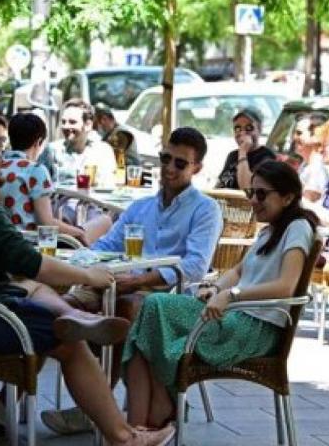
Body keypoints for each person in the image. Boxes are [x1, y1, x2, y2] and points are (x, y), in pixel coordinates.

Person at [0, 119, 173, 446]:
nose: (3, 159)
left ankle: (77, 317)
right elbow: (30, 262)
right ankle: (124, 437)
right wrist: (89, 276)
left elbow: (11, 265)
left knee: (35, 293)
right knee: (67, 340)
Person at [44, 127, 223, 435]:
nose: (168, 168)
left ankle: (98, 410)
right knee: (55, 309)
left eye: (180, 163)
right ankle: (8, 401)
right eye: (166, 158)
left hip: (170, 296)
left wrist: (139, 281)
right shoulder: (142, 206)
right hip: (120, 284)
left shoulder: (206, 209)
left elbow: (195, 266)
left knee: (120, 312)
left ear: (197, 169)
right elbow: (106, 246)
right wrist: (78, 268)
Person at [123, 159, 317, 430]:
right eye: (251, 192)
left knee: (154, 307)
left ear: (287, 197)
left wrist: (231, 296)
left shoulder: (297, 227)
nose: (253, 201)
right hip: (235, 318)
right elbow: (238, 271)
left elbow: (287, 286)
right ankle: (139, 426)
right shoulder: (270, 230)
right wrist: (215, 289)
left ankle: (155, 413)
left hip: (255, 329)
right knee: (146, 320)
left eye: (262, 194)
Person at [0, 113, 86, 243]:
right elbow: (46, 223)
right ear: (38, 142)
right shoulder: (35, 170)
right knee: (104, 222)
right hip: (31, 245)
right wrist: (79, 233)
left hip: (3, 241)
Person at [51, 98, 118, 187]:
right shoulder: (53, 150)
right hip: (59, 200)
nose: (66, 126)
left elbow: (109, 186)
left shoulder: (102, 151)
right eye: (63, 122)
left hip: (91, 200)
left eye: (72, 122)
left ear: (88, 125)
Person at [215, 107, 275, 190]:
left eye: (249, 128)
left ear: (259, 129)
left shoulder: (266, 156)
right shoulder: (232, 155)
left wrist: (243, 152)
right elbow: (220, 185)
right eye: (238, 128)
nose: (243, 133)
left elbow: (247, 190)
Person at [293, 113, 329, 202]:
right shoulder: (308, 164)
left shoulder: (317, 168)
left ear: (316, 137)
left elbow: (308, 203)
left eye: (299, 133)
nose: (294, 137)